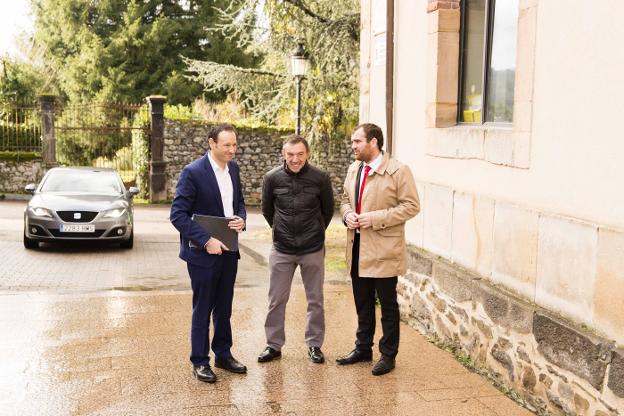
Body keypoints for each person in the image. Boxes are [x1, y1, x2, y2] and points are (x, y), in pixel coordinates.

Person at [336, 123, 420, 376]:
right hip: (357, 246)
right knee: (362, 303)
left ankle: (388, 354)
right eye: (352, 142)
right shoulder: (354, 168)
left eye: (357, 142)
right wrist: (348, 214)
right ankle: (363, 348)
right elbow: (345, 200)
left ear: (373, 142)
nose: (353, 146)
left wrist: (375, 218)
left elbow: (411, 206)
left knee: (387, 305)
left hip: (384, 249)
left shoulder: (398, 171)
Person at [170, 123, 247, 383]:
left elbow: (239, 203)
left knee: (224, 307)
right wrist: (206, 241)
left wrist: (241, 219)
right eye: (227, 145)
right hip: (203, 254)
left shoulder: (234, 169)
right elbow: (177, 215)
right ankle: (200, 361)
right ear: (212, 144)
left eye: (234, 145)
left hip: (229, 250)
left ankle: (223, 354)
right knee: (203, 308)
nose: (232, 150)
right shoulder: (192, 172)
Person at [258, 135, 335, 364]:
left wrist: (316, 232)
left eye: (300, 154)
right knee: (276, 299)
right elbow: (266, 210)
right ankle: (273, 345)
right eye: (290, 154)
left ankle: (314, 345)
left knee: (316, 299)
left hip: (312, 248)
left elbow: (328, 210)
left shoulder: (320, 178)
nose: (295, 159)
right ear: (284, 154)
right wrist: (281, 230)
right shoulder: (272, 178)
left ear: (307, 154)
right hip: (282, 248)